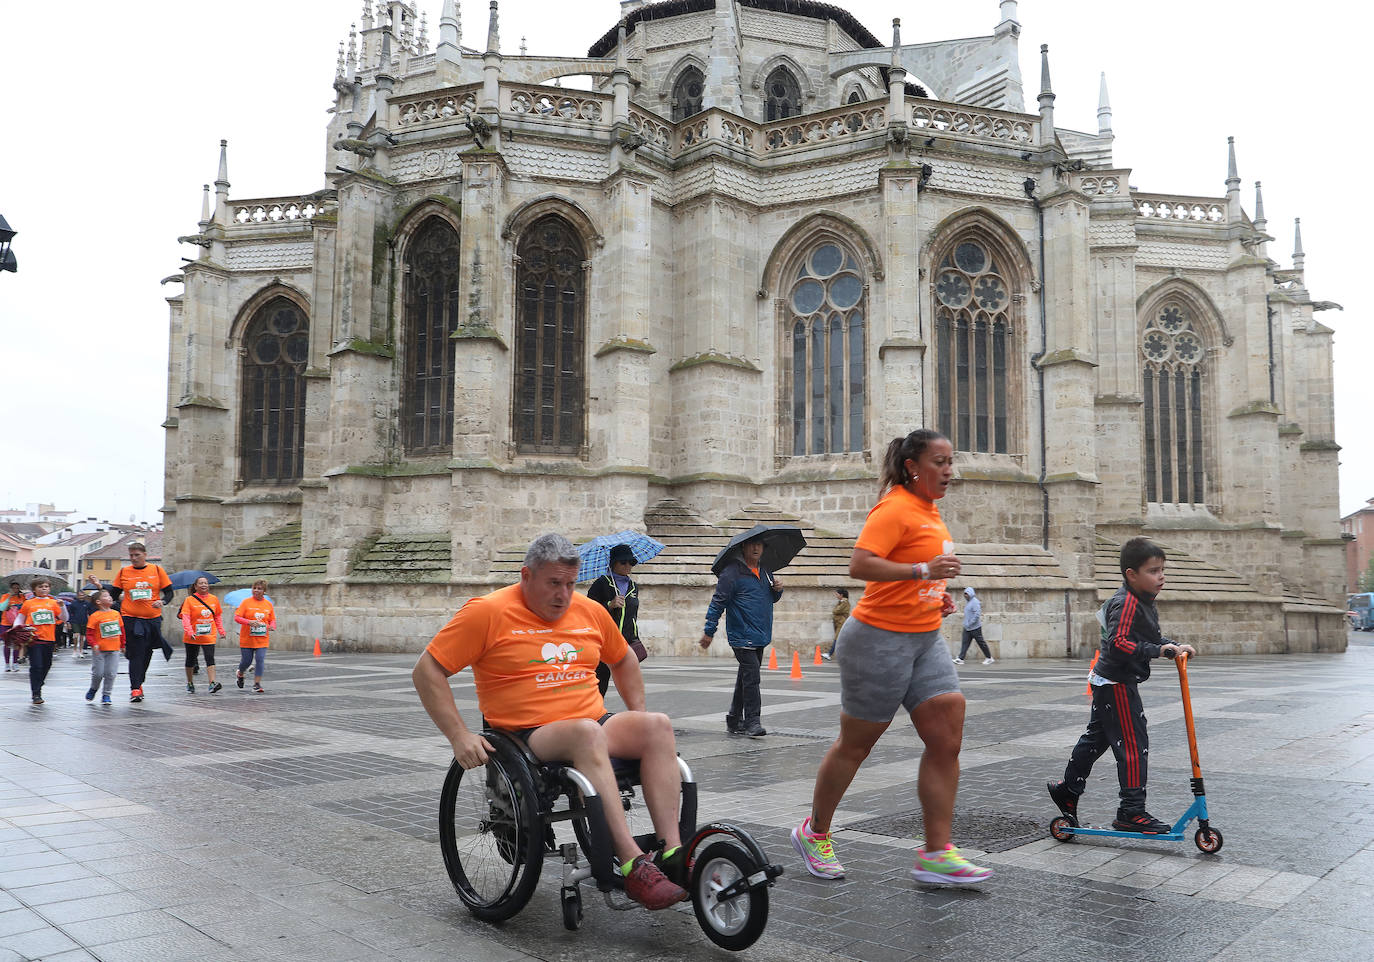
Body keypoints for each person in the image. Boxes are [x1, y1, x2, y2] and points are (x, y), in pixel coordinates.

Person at [412, 533, 688, 910]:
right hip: (528, 733)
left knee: (656, 725)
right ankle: (631, 862)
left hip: (591, 720)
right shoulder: (488, 612)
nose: (563, 594)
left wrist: (636, 710)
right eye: (553, 583)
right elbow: (427, 670)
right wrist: (458, 735)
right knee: (587, 734)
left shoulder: (589, 610)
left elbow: (622, 658)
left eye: (571, 584)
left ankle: (672, 852)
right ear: (526, 576)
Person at [793, 429, 992, 886]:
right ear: (912, 467)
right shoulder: (895, 506)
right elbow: (861, 564)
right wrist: (923, 571)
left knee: (947, 736)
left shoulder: (930, 510)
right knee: (857, 745)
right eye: (939, 462)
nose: (949, 471)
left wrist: (933, 594)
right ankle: (814, 832)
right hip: (877, 640)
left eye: (950, 461)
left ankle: (936, 853)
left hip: (925, 637)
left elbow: (913, 574)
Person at [1047, 537, 1196, 834]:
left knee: (1097, 739)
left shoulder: (1141, 600)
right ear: (1131, 574)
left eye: (1162, 570)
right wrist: (1157, 651)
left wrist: (1172, 645)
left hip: (1112, 681)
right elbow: (1118, 643)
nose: (1161, 576)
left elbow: (1146, 637)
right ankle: (1131, 810)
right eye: (1153, 570)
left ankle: (1068, 789)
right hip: (1115, 682)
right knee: (1133, 745)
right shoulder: (1126, 602)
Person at [699, 536, 783, 738]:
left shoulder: (766, 571)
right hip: (742, 634)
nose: (756, 548)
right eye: (752, 544)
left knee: (746, 678)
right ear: (743, 547)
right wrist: (709, 631)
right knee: (752, 678)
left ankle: (734, 718)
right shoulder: (731, 572)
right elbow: (717, 603)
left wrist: (778, 590)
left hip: (761, 633)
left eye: (760, 544)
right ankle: (752, 721)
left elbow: (770, 598)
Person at [109, 541, 173, 703]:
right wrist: (119, 599)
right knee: (136, 653)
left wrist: (163, 602)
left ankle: (139, 681)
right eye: (131, 555)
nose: (134, 558)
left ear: (145, 555)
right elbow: (114, 594)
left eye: (137, 555)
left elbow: (169, 593)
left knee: (147, 652)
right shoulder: (124, 571)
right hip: (131, 618)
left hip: (152, 619)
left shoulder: (156, 570)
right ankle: (135, 688)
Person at [586, 543, 649, 696]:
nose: (628, 565)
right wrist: (609, 604)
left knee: (631, 684)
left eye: (632, 562)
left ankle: (636, 716)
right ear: (613, 563)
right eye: (623, 562)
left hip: (627, 642)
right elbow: (588, 610)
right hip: (605, 642)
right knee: (600, 682)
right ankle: (595, 713)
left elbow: (632, 615)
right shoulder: (601, 583)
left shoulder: (634, 586)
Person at [14, 578, 67, 705]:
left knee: (47, 665)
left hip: (49, 639)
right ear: (34, 589)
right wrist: (16, 629)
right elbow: (20, 618)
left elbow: (64, 618)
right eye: (40, 586)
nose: (44, 588)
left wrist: (63, 607)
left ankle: (39, 682)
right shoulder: (29, 603)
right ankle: (36, 693)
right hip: (34, 639)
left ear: (49, 588)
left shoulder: (53, 603)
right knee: (36, 666)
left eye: (46, 586)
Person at [179, 577, 226, 693]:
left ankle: (212, 683)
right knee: (190, 660)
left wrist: (221, 630)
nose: (204, 585)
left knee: (210, 658)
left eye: (205, 583)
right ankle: (190, 682)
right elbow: (185, 618)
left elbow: (217, 616)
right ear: (195, 586)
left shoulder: (214, 599)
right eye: (201, 583)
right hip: (193, 636)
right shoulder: (189, 600)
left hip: (208, 635)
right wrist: (190, 631)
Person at [233, 580, 276, 693]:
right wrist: (249, 622)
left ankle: (257, 684)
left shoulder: (268, 604)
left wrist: (272, 626)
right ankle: (240, 673)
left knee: (260, 659)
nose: (256, 590)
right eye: (255, 588)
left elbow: (272, 619)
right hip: (247, 638)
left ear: (264, 591)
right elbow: (237, 617)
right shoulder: (246, 602)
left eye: (259, 588)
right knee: (246, 661)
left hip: (262, 638)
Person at [85, 591, 124, 705]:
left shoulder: (116, 614)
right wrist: (93, 644)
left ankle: (106, 694)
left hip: (114, 649)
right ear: (98, 602)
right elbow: (90, 633)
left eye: (109, 595)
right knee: (98, 673)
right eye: (106, 596)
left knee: (111, 673)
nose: (110, 597)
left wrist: (122, 644)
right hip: (100, 650)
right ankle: (93, 688)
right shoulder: (95, 616)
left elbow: (121, 631)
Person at [955, 586, 993, 665]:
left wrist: (970, 623)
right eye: (964, 594)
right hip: (967, 628)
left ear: (971, 594)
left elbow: (977, 614)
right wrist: (966, 624)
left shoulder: (975, 602)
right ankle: (960, 658)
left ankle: (989, 658)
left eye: (967, 594)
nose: (965, 595)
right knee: (965, 643)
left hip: (975, 628)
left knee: (981, 643)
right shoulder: (968, 602)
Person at [1, 580, 26, 671]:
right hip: (6, 623)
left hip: (17, 623)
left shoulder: (22, 597)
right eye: (14, 588)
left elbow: (25, 609)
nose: (16, 590)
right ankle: (7, 664)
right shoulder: (5, 596)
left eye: (17, 588)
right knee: (7, 644)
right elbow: (2, 608)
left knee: (17, 643)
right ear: (10, 588)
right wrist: (9, 598)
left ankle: (15, 663)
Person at [822, 588, 850, 660]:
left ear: (841, 595)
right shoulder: (841, 602)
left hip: (841, 623)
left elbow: (836, 611)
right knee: (841, 640)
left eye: (837, 594)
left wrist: (835, 610)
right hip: (838, 623)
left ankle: (829, 654)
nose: (836, 595)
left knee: (837, 639)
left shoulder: (844, 602)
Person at [68, 589, 95, 659]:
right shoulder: (73, 604)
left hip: (84, 621)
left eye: (83, 595)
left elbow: (90, 612)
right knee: (76, 636)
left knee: (82, 637)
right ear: (77, 596)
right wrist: (69, 622)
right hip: (75, 621)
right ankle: (74, 650)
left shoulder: (87, 603)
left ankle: (80, 651)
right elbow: (70, 613)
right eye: (80, 595)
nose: (81, 597)